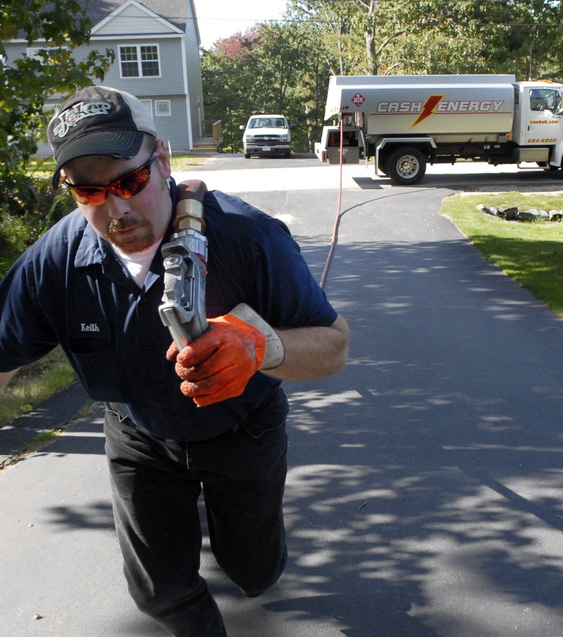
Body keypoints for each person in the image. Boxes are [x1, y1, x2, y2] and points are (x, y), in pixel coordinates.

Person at [0, 86, 350, 636]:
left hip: (244, 432)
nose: (116, 209)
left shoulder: (249, 237)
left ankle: (257, 561)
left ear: (161, 159)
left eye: (129, 181)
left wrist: (261, 345)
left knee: (253, 571)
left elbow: (334, 346)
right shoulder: (53, 262)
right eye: (88, 192)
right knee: (160, 591)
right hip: (138, 437)